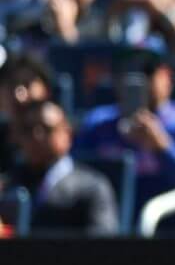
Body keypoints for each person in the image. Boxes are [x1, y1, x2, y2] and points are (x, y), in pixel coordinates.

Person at [73, 37, 175, 220]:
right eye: (127, 70)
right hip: (110, 226)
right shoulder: (97, 124)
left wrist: (164, 147)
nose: (138, 77)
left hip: (174, 229)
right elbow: (72, 176)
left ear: (167, 76)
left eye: (147, 69)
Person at [2, 100, 118, 234]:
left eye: (47, 129)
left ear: (67, 134)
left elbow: (102, 239)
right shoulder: (7, 186)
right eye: (28, 129)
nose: (36, 136)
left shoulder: (93, 187)